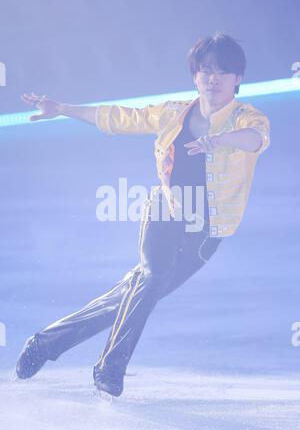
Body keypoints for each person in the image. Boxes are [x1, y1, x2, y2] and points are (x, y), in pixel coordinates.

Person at [16, 33, 270, 397]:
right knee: (151, 278)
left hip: (208, 228)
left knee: (138, 293)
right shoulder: (171, 113)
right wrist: (63, 109)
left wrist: (219, 141)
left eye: (223, 72)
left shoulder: (248, 117)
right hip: (165, 211)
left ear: (238, 78)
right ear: (195, 75)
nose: (213, 79)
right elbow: (118, 117)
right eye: (206, 70)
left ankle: (45, 344)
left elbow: (255, 139)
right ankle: (110, 369)